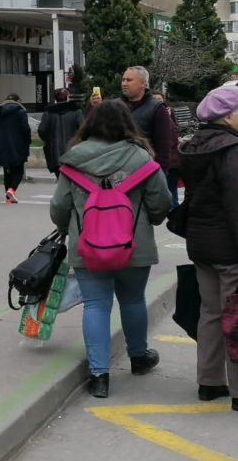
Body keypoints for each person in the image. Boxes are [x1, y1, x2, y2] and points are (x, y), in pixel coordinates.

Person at [50, 99, 172, 399]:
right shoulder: (142, 159)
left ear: (90, 124)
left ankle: (99, 375)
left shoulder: (73, 160)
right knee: (132, 300)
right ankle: (139, 357)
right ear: (127, 124)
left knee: (96, 305)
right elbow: (162, 203)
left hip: (87, 247)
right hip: (134, 246)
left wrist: (71, 227)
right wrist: (148, 220)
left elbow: (59, 209)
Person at [177, 85, 238, 411]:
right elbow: (235, 204)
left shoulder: (194, 146)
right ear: (227, 116)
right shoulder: (232, 151)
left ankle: (209, 381)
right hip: (229, 247)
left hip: (200, 244)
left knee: (211, 313)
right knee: (236, 316)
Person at [120, 67, 178, 178]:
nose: (124, 83)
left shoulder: (157, 109)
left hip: (146, 173)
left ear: (143, 83)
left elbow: (163, 147)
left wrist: (157, 175)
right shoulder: (115, 106)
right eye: (123, 80)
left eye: (129, 80)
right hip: (117, 174)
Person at [0, 93, 31, 204]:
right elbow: (25, 129)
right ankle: (11, 190)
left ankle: (8, 198)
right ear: (18, 101)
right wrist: (28, 142)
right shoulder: (21, 111)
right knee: (19, 169)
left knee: (6, 170)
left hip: (1, 144)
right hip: (17, 144)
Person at [38, 88, 83, 178]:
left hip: (55, 154)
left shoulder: (48, 113)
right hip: (73, 152)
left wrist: (50, 141)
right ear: (68, 97)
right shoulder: (76, 111)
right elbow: (83, 129)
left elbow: (42, 130)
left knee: (61, 180)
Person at [150, 90, 182, 208]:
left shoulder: (166, 117)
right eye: (155, 100)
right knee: (171, 193)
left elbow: (170, 139)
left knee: (171, 193)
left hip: (171, 162)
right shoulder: (160, 117)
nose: (158, 102)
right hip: (169, 161)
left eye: (160, 100)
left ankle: (174, 215)